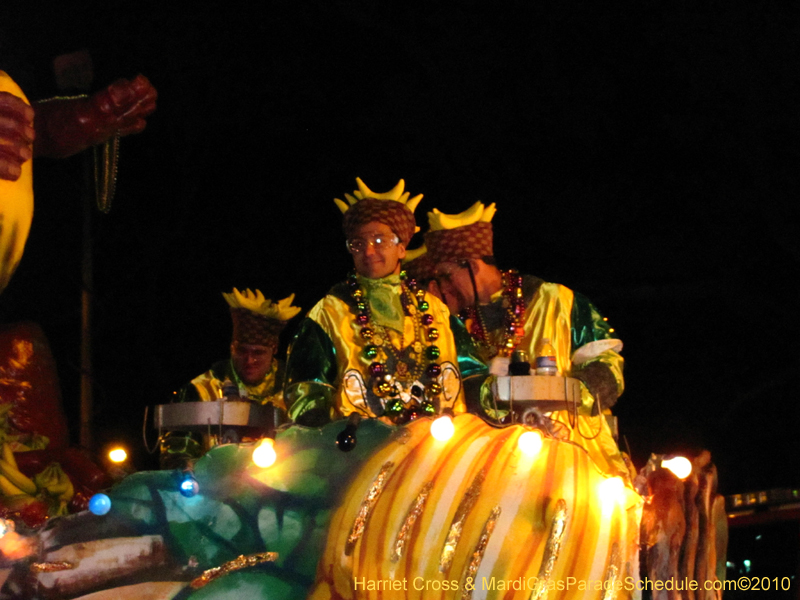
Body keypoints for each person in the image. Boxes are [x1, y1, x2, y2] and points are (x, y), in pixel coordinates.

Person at [413, 201, 630, 478]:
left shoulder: (557, 300)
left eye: (447, 275)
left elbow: (608, 365)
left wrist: (570, 392)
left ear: (473, 266)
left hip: (577, 456)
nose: (444, 286)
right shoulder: (459, 325)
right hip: (500, 461)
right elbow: (461, 385)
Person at [284, 178, 485, 427]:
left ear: (401, 248)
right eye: (358, 244)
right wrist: (327, 430)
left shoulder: (437, 311)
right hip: (359, 447)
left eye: (380, 241)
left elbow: (473, 377)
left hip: (438, 446)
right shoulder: (328, 313)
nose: (369, 252)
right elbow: (305, 390)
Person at [160, 289, 300, 468]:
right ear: (232, 347)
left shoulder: (294, 390)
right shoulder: (201, 389)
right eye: (242, 351)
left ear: (273, 350)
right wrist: (184, 464)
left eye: (258, 353)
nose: (249, 360)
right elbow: (179, 446)